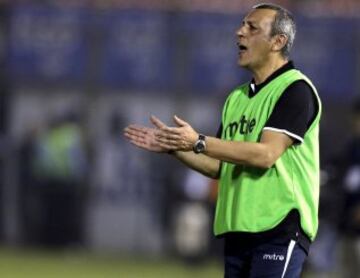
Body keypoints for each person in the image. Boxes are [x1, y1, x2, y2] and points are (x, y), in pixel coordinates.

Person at [124, 3, 322, 277]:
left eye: (252, 27)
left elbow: (265, 155)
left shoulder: (295, 89)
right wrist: (176, 148)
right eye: (242, 25)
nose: (239, 32)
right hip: (238, 231)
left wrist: (198, 140)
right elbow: (219, 167)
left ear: (278, 41)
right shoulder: (237, 98)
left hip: (278, 229)